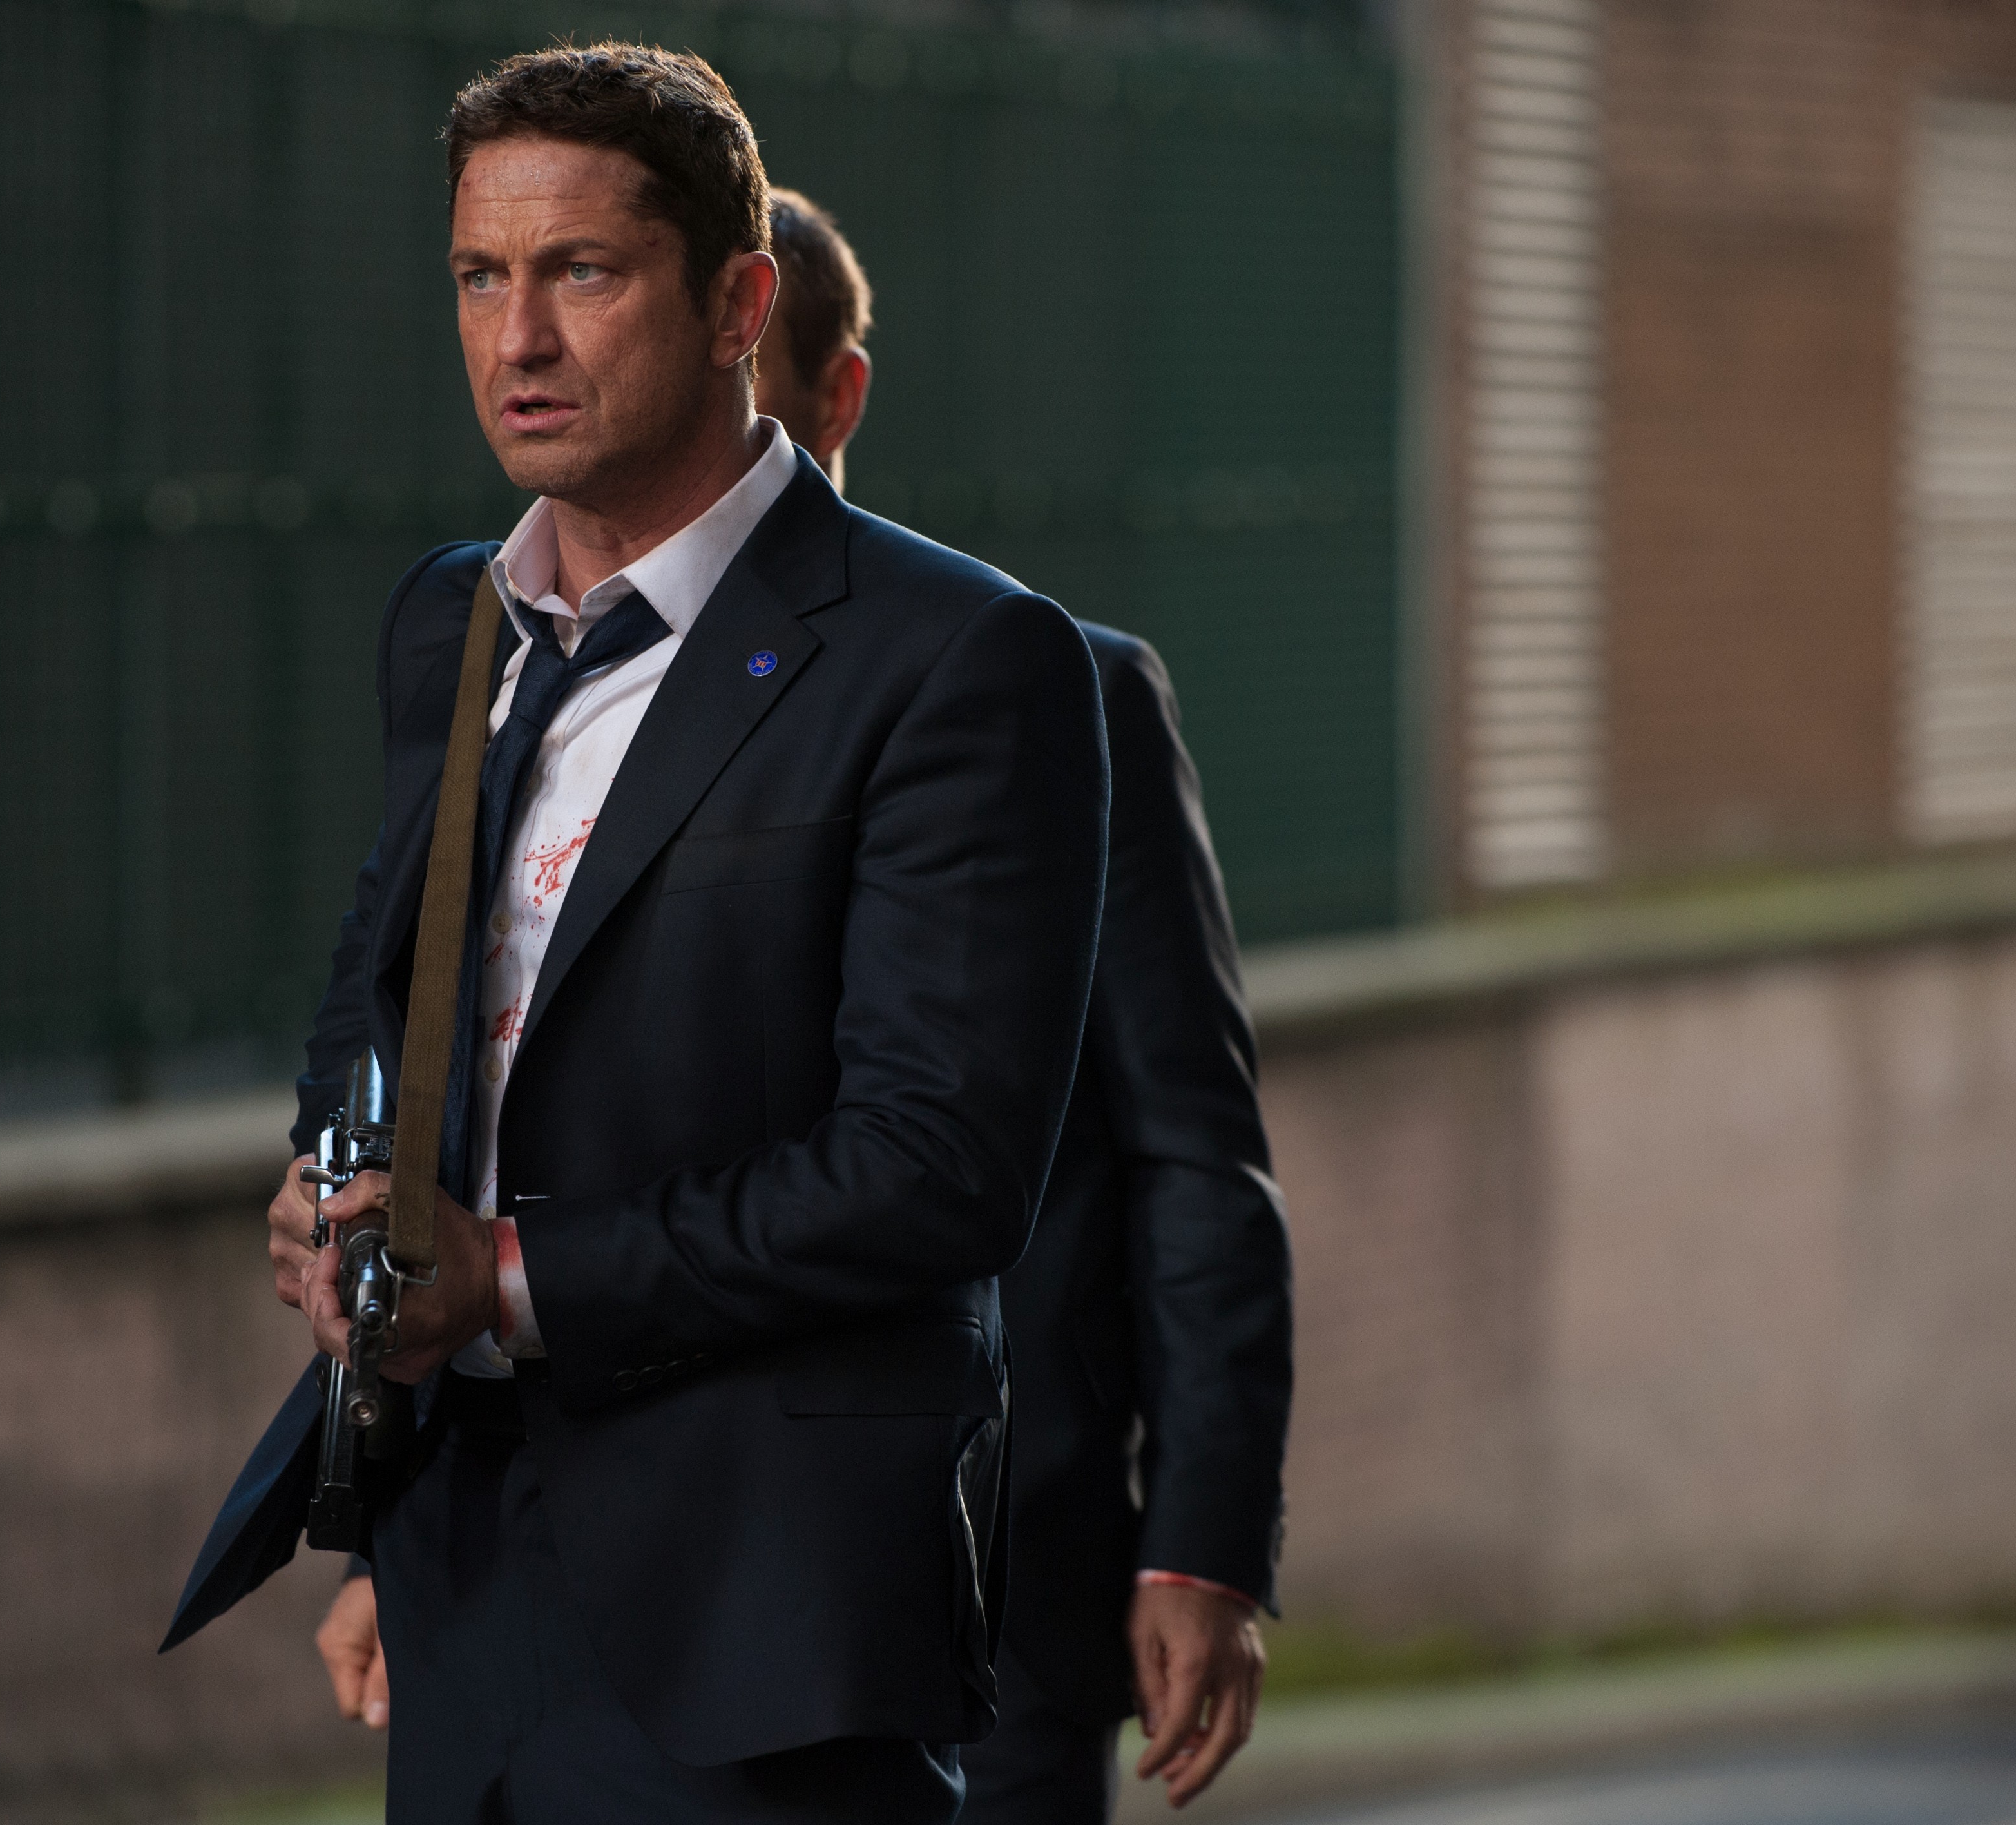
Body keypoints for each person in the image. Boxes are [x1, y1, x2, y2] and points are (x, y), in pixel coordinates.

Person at [160, 45, 1111, 1825]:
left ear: (739, 304)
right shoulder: (451, 620)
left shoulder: (957, 658)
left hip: (760, 1610)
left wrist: (507, 1276)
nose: (517, 338)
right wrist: (334, 1178)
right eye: (479, 277)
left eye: (581, 272)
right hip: (458, 1574)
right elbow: (383, 987)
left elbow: (937, 1171)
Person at [302, 182, 1296, 1818]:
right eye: (485, 278)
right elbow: (496, 1102)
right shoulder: (520, 665)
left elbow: (1191, 1157)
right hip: (581, 1556)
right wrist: (397, 1522)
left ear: (820, 386)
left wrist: (1199, 1541)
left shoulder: (1040, 682)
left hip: (966, 1546)